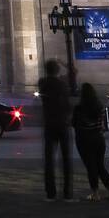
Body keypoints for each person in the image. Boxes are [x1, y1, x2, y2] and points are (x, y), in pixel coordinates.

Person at [72, 83, 109, 201]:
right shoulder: (99, 106)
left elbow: (74, 124)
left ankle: (95, 193)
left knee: (91, 166)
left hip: (84, 139)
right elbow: (103, 123)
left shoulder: (79, 108)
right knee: (100, 166)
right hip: (98, 138)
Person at [38, 59, 73, 201]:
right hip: (63, 124)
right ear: (57, 70)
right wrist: (63, 63)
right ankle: (67, 194)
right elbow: (73, 73)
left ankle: (50, 193)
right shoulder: (62, 84)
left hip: (49, 124)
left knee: (49, 160)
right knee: (66, 160)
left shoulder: (43, 83)